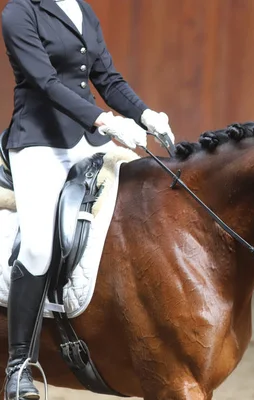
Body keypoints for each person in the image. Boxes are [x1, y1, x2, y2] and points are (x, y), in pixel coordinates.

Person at [1, 0, 175, 398]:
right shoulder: (19, 12)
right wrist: (105, 120)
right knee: (39, 246)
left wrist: (146, 114)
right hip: (40, 144)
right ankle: (18, 366)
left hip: (87, 142)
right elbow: (45, 81)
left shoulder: (82, 9)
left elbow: (107, 78)